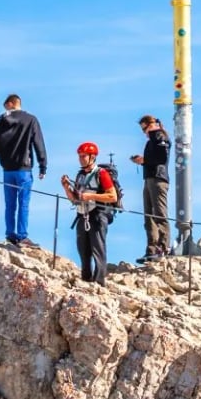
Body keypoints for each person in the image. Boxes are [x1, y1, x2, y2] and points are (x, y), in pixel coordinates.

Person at [0, 93, 48, 248]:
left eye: (5, 105)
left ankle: (10, 235)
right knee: (23, 203)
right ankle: (22, 236)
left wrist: (3, 160)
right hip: (24, 168)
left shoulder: (2, 119)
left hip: (7, 169)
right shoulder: (31, 119)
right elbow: (38, 143)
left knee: (9, 203)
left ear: (11, 103)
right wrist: (43, 165)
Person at [61, 142, 120, 285]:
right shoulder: (80, 175)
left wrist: (91, 196)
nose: (81, 159)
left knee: (97, 249)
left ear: (92, 157)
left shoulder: (102, 174)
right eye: (80, 156)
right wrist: (66, 188)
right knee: (83, 250)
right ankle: (86, 280)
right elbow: (75, 199)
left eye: (83, 156)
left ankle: (99, 282)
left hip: (98, 215)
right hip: (82, 214)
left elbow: (113, 196)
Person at [129, 115, 172, 263]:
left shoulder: (160, 136)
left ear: (152, 125)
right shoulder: (152, 140)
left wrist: (145, 160)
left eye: (145, 128)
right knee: (149, 215)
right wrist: (143, 161)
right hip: (149, 178)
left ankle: (163, 246)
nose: (144, 132)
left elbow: (161, 157)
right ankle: (152, 248)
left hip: (158, 179)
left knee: (159, 214)